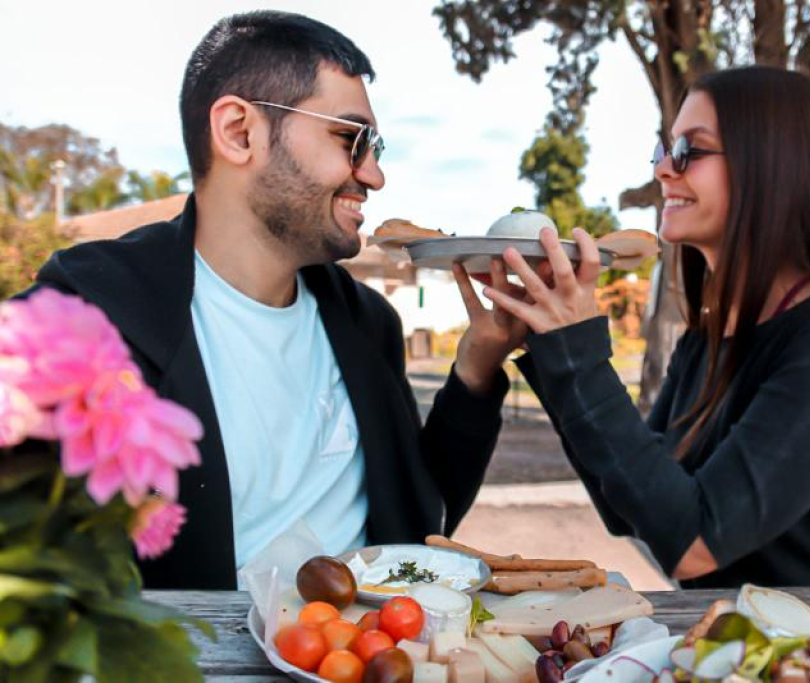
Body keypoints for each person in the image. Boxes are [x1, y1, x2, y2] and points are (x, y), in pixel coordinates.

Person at [21, 11, 525, 589]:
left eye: (376, 146)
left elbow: (419, 522)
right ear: (239, 132)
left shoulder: (369, 326)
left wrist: (476, 373)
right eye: (350, 139)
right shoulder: (90, 313)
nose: (375, 175)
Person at [482, 66, 810, 587]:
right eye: (665, 151)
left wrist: (578, 354)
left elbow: (692, 543)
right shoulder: (713, 334)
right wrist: (550, 345)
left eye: (691, 150)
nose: (665, 170)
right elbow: (631, 508)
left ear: (773, 165)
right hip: (722, 647)